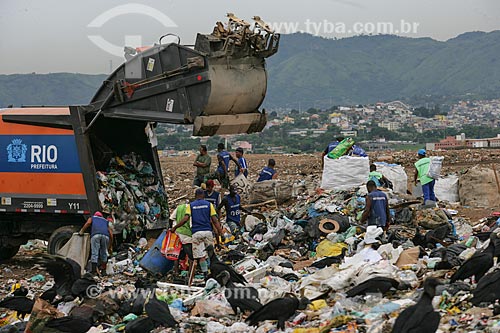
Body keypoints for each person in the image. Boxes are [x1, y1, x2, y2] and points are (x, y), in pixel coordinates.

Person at [171, 188, 223, 276]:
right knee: (210, 254)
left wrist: (175, 227)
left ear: (195, 196)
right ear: (203, 195)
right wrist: (220, 233)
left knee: (200, 256)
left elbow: (185, 219)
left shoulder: (191, 206)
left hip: (196, 233)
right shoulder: (209, 205)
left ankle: (205, 273)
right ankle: (213, 271)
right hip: (207, 232)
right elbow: (214, 220)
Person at [170, 202, 193, 273]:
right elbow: (191, 224)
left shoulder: (179, 207)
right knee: (191, 256)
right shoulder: (192, 209)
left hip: (177, 234)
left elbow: (171, 218)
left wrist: (172, 229)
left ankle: (176, 272)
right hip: (187, 234)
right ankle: (190, 274)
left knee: (176, 254)